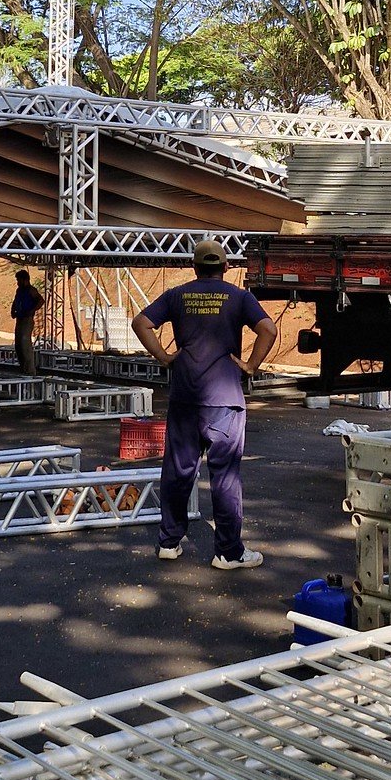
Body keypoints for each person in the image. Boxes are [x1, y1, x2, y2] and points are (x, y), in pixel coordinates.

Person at [131, 239, 278, 570]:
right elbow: (268, 329)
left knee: (178, 469)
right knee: (224, 475)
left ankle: (169, 542)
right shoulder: (239, 297)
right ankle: (228, 552)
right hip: (224, 399)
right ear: (225, 267)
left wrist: (165, 356)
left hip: (185, 394)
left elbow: (141, 322)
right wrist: (251, 365)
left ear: (194, 267)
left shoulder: (177, 295)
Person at [11, 268, 43, 373]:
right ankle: (23, 367)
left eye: (19, 280)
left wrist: (32, 310)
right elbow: (15, 301)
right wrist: (13, 310)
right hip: (19, 318)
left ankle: (30, 369)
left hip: (27, 319)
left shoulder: (31, 290)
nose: (18, 282)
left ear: (25, 280)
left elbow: (40, 300)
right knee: (18, 344)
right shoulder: (19, 290)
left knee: (25, 343)